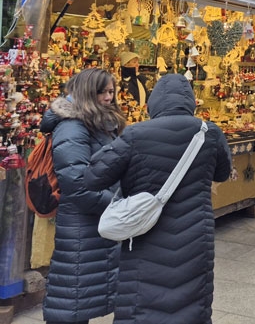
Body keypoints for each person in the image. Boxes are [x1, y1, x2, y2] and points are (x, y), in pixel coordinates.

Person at [85, 74, 232, 324]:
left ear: (154, 102)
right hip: (195, 233)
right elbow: (222, 172)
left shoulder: (135, 134)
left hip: (147, 232)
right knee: (193, 298)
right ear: (190, 101)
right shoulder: (210, 132)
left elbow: (94, 177)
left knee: (141, 299)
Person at [39, 69, 126, 324]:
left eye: (112, 91)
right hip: (81, 222)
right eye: (103, 92)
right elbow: (76, 184)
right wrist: (115, 206)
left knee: (83, 293)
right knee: (73, 294)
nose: (109, 97)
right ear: (88, 92)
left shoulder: (98, 123)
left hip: (94, 219)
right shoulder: (72, 127)